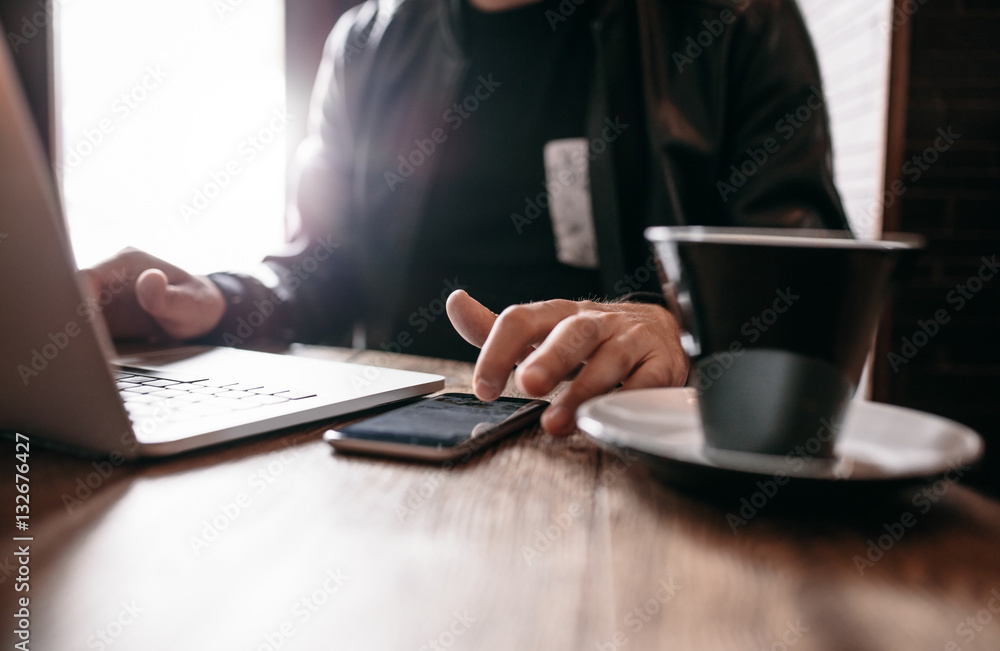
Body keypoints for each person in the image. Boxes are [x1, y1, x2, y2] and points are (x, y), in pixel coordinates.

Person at [83, 0, 849, 436]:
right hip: (401, 437)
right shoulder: (368, 44)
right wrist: (221, 299)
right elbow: (323, 265)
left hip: (630, 444)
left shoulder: (734, 20)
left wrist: (676, 335)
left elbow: (804, 286)